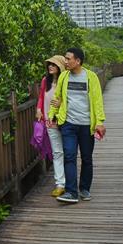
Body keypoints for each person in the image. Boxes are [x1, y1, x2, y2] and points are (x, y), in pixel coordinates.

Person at [48, 46, 106, 204]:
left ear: (78, 61)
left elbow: (97, 100)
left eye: (68, 59)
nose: (65, 61)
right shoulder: (64, 77)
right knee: (69, 155)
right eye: (65, 59)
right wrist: (52, 115)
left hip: (87, 125)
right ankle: (71, 192)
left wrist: (100, 122)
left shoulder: (91, 77)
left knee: (86, 158)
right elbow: (57, 97)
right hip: (68, 124)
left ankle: (85, 188)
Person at [35, 55, 68, 197]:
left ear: (60, 67)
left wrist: (61, 104)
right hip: (49, 121)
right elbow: (42, 97)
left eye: (53, 65)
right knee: (57, 153)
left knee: (69, 152)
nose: (50, 67)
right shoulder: (45, 81)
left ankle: (70, 181)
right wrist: (38, 109)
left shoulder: (65, 81)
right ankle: (60, 184)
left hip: (65, 121)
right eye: (49, 64)